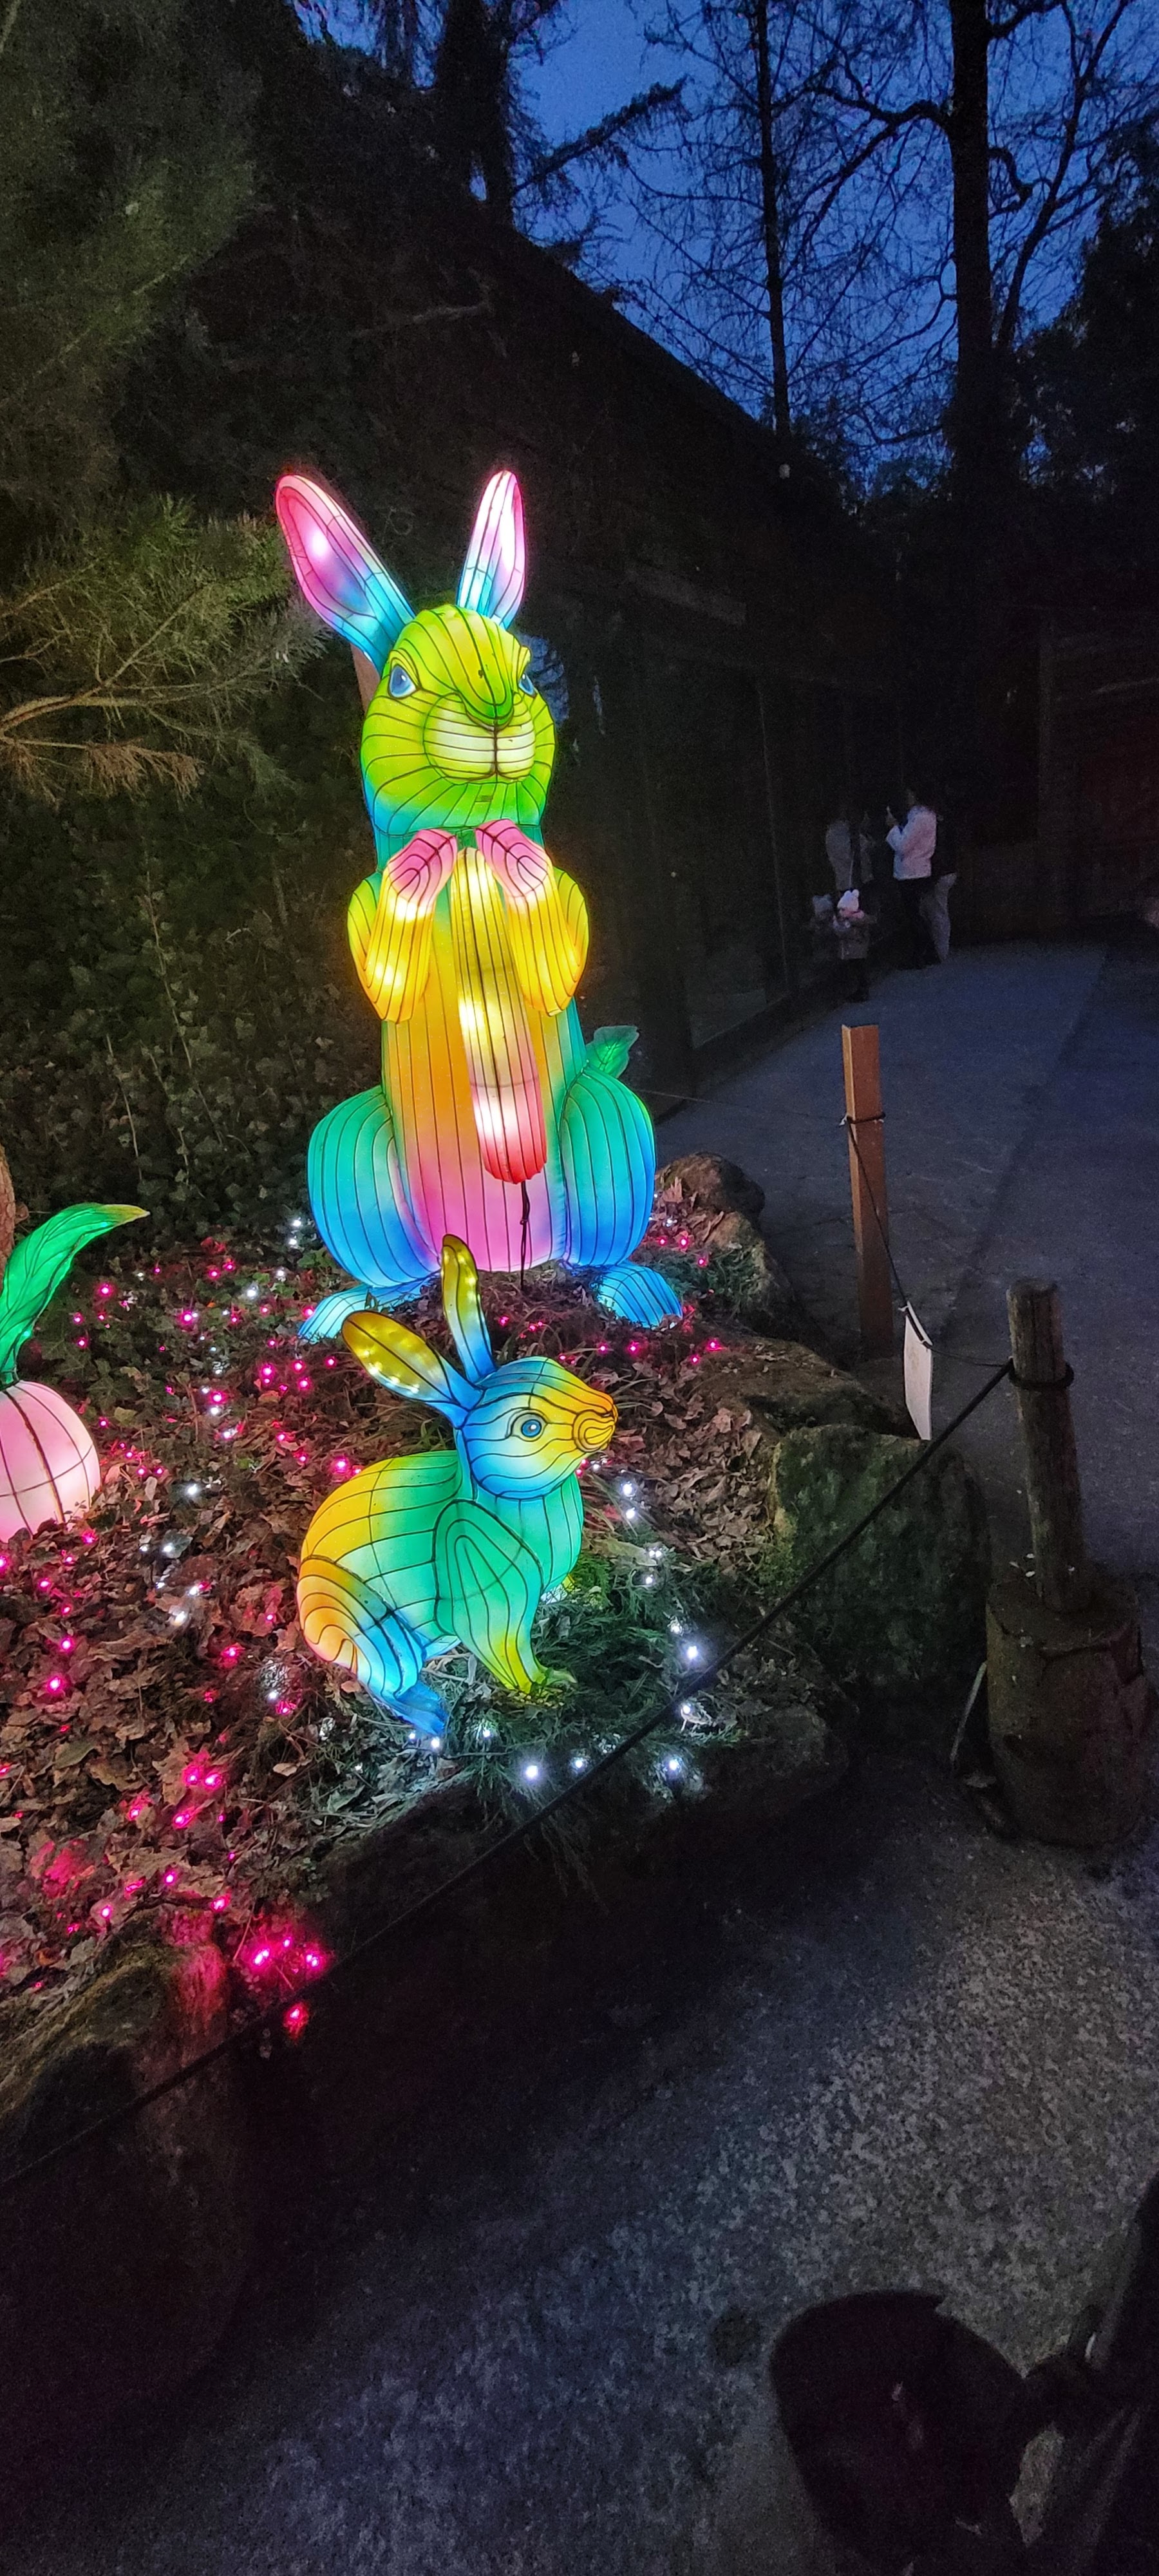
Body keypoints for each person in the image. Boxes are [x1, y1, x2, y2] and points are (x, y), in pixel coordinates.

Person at [886, 786, 938, 965]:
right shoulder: (924, 815)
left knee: (914, 916)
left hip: (912, 873)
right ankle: (929, 952)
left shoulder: (920, 817)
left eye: (910, 794)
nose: (908, 797)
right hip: (917, 870)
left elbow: (903, 846)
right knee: (917, 915)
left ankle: (920, 955)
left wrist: (893, 828)